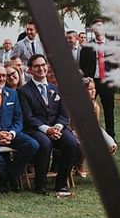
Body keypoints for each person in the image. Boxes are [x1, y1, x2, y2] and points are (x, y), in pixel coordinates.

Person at [18, 54, 79, 197]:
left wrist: (57, 127)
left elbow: (64, 114)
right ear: (30, 70)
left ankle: (61, 183)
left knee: (72, 143)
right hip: (35, 129)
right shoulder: (24, 91)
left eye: (43, 65)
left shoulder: (56, 89)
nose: (41, 68)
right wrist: (47, 129)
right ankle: (40, 184)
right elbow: (28, 117)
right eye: (37, 66)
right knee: (45, 144)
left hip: (56, 127)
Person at [0, 63, 39, 192]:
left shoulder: (12, 94)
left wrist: (11, 134)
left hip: (10, 132)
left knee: (32, 145)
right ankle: (7, 177)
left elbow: (18, 119)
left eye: (4, 75)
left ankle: (9, 175)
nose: (2, 78)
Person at [79, 19, 116, 140]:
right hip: (92, 82)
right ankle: (89, 134)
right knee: (89, 108)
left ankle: (111, 136)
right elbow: (82, 64)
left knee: (109, 109)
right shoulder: (87, 47)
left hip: (107, 81)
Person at [75, 77, 117, 176]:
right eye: (90, 89)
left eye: (94, 88)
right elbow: (74, 125)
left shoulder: (95, 105)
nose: (93, 91)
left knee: (112, 146)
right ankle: (79, 164)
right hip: (78, 130)